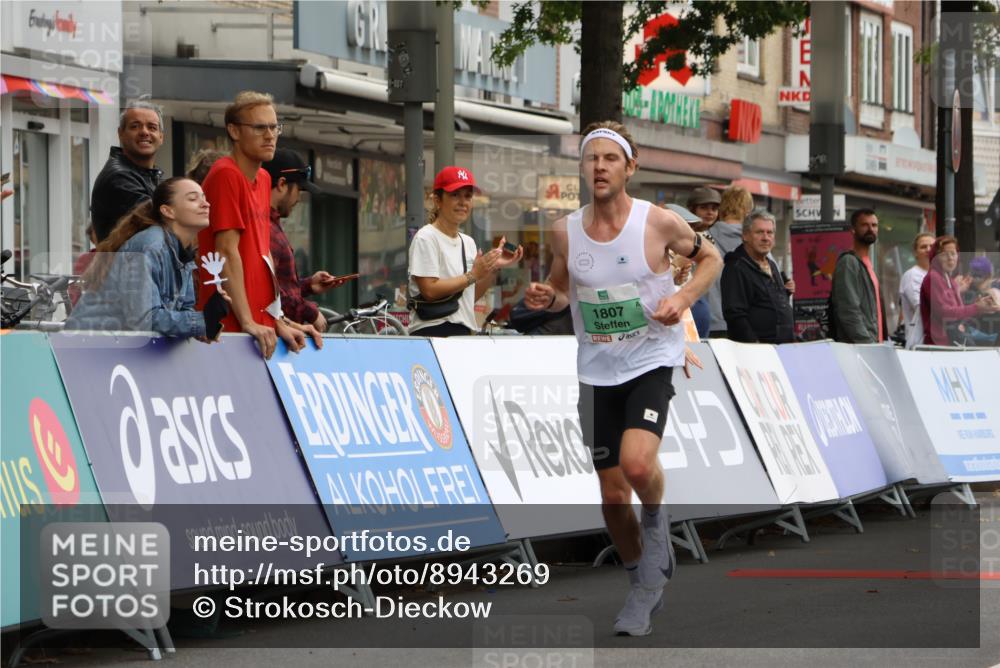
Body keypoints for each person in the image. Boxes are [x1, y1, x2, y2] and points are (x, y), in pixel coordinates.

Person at [524, 122, 721, 637]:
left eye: (611, 158)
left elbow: (712, 258)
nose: (600, 167)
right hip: (596, 369)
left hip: (650, 359)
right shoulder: (566, 230)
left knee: (637, 463)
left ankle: (656, 520)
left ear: (630, 167)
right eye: (592, 158)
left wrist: (682, 298)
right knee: (612, 496)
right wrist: (548, 297)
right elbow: (562, 289)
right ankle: (642, 586)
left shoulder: (658, 222)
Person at [196, 91, 316, 359]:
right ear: (234, 131)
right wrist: (248, 321)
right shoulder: (226, 174)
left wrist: (277, 319)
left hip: (259, 327)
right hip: (229, 326)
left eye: (274, 127)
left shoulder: (263, 178)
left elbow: (264, 257)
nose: (270, 135)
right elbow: (226, 252)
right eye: (260, 127)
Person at [66, 177, 229, 338]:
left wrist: (202, 327)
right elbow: (144, 319)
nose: (206, 204)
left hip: (113, 345)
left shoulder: (182, 253)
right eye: (193, 199)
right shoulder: (151, 245)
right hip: (89, 344)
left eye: (204, 198)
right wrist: (201, 321)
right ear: (168, 211)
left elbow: (181, 309)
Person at [407, 166, 523, 337]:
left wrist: (492, 267)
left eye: (468, 196)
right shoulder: (426, 237)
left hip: (463, 332)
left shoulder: (468, 242)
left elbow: (469, 297)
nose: (463, 202)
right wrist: (473, 275)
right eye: (455, 195)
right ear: (438, 200)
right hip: (432, 330)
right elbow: (429, 290)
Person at [263, 149, 354, 333]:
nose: (299, 198)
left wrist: (308, 285)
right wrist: (309, 311)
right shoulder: (266, 229)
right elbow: (266, 293)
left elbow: (280, 287)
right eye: (299, 189)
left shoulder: (272, 225)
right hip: (277, 337)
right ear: (281, 184)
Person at [91, 98, 165, 242]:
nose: (144, 132)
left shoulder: (150, 175)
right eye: (135, 126)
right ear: (120, 133)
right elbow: (165, 223)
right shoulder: (119, 177)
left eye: (152, 127)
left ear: (161, 137)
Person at [720, 209, 794, 344]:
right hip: (756, 350)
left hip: (782, 347)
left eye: (770, 232)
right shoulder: (736, 267)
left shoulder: (771, 264)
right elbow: (735, 314)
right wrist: (754, 344)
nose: (765, 238)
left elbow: (767, 303)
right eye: (759, 232)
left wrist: (785, 292)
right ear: (745, 236)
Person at [919, 236, 999, 346]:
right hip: (939, 345)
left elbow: (959, 316)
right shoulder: (933, 277)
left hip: (952, 343)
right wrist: (976, 307)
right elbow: (945, 313)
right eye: (944, 254)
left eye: (953, 253)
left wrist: (982, 307)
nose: (950, 258)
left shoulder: (950, 280)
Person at [829, 209, 887, 343]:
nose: (871, 229)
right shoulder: (849, 262)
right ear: (853, 230)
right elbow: (848, 310)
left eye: (874, 225)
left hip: (875, 345)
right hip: (861, 347)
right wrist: (867, 344)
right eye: (865, 225)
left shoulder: (868, 265)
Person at [704, 186, 752, 337]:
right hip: (747, 324)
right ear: (747, 210)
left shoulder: (704, 239)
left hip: (710, 320)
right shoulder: (756, 241)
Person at [898, 232, 934, 349]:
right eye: (923, 247)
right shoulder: (912, 275)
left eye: (932, 246)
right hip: (920, 343)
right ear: (915, 252)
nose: (928, 249)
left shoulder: (939, 275)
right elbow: (920, 306)